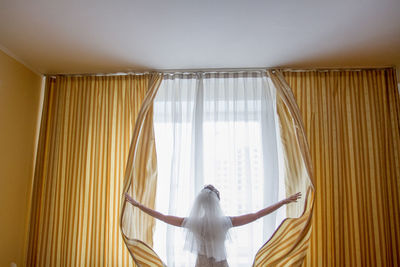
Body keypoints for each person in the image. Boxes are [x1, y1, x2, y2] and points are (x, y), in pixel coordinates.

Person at [125, 185, 301, 267]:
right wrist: (282, 202)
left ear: (200, 204)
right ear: (217, 202)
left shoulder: (193, 223)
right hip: (221, 263)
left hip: (200, 263)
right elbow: (256, 215)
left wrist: (138, 205)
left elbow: (163, 217)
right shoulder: (225, 223)